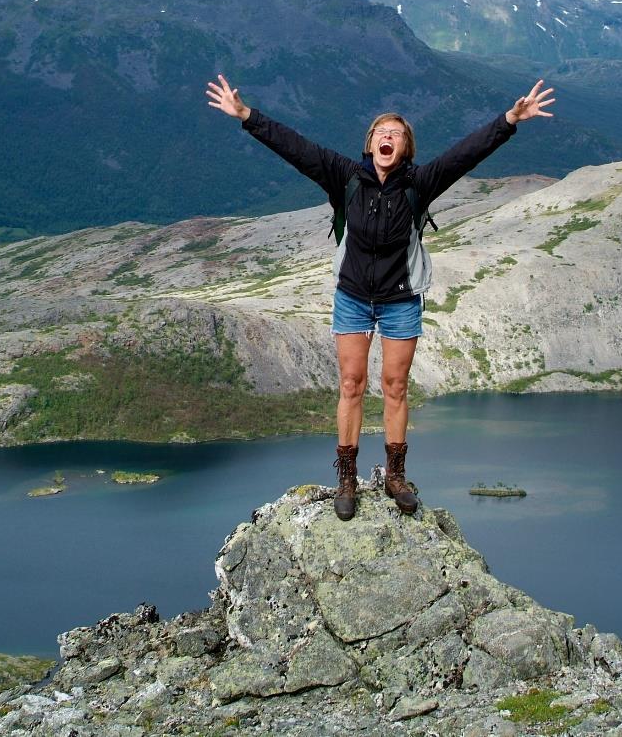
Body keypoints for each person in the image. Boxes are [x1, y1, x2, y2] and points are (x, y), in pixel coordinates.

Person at [206, 74, 554, 520]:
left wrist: (509, 120)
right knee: (351, 385)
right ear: (369, 143)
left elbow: (466, 154)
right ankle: (347, 479)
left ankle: (395, 476)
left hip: (401, 300)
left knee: (395, 386)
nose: (388, 137)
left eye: (397, 134)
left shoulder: (419, 183)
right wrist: (246, 116)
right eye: (381, 133)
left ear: (405, 148)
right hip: (353, 296)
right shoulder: (344, 177)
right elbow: (295, 147)